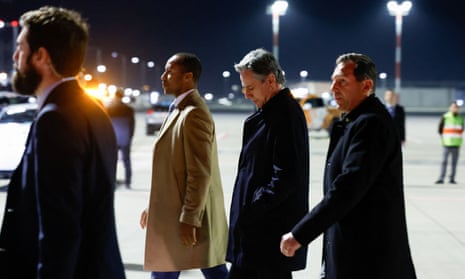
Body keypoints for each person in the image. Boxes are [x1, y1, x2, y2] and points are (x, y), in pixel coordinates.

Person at [0, 6, 125, 278]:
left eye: (21, 48)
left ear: (40, 56)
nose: (15, 56)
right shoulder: (93, 111)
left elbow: (60, 231)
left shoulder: (55, 120)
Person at [280, 53, 417, 279]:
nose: (334, 88)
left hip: (368, 259)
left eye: (342, 81)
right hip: (352, 253)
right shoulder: (352, 122)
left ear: (367, 85)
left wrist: (300, 234)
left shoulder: (371, 124)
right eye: (333, 80)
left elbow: (347, 188)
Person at [139, 53, 229, 279]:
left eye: (169, 72)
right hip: (173, 214)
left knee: (210, 270)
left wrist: (190, 218)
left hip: (187, 216)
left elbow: (199, 173)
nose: (163, 77)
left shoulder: (194, 114)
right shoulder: (178, 110)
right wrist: (154, 208)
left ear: (188, 77)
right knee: (172, 270)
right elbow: (170, 169)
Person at [226, 48, 309, 279]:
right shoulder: (269, 114)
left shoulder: (284, 116)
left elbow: (286, 175)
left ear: (270, 80)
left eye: (250, 87)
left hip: (265, 236)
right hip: (257, 237)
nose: (246, 94)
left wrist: (252, 208)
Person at [107, 87, 135, 189]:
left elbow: (106, 125)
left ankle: (113, 182)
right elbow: (132, 125)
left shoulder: (108, 108)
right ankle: (128, 182)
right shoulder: (128, 109)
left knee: (112, 161)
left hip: (112, 138)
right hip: (125, 137)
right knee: (127, 160)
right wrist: (130, 136)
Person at [435, 101, 464, 184]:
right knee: (444, 161)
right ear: (450, 108)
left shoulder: (460, 118)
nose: (455, 109)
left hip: (456, 143)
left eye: (457, 107)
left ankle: (452, 178)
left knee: (454, 163)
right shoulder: (445, 117)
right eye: (454, 107)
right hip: (446, 143)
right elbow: (440, 129)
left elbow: (462, 129)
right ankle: (441, 178)